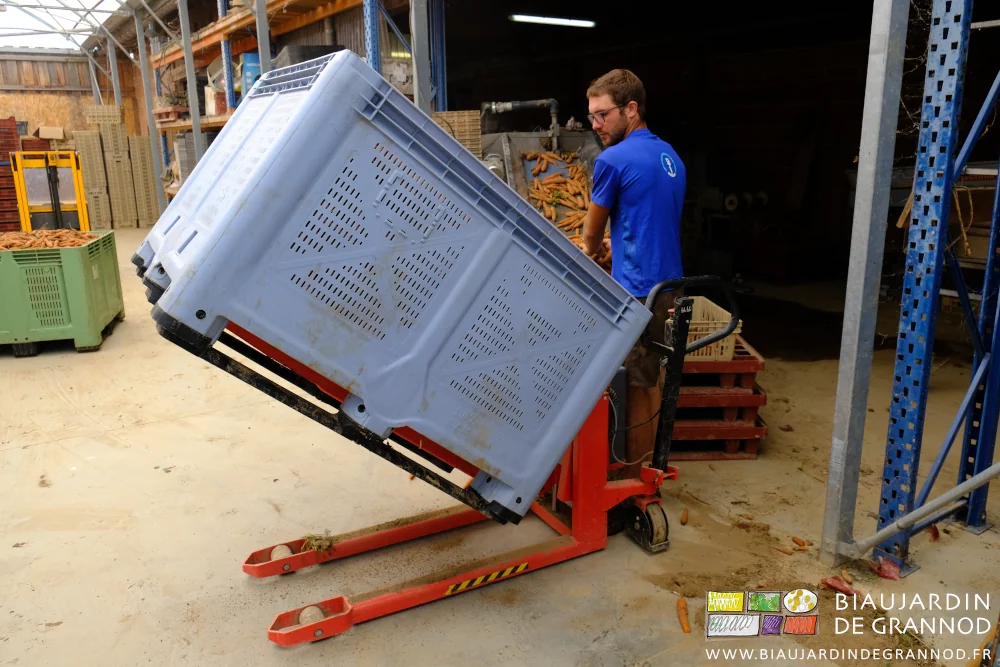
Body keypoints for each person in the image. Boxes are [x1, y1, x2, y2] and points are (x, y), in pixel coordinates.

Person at [581, 69, 687, 478]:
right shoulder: (670, 156)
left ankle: (636, 482)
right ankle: (650, 470)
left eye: (602, 114)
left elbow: (591, 232)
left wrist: (592, 249)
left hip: (637, 291)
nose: (595, 124)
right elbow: (650, 222)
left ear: (630, 109)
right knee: (653, 381)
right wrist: (618, 244)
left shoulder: (612, 159)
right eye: (591, 115)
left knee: (637, 387)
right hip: (668, 288)